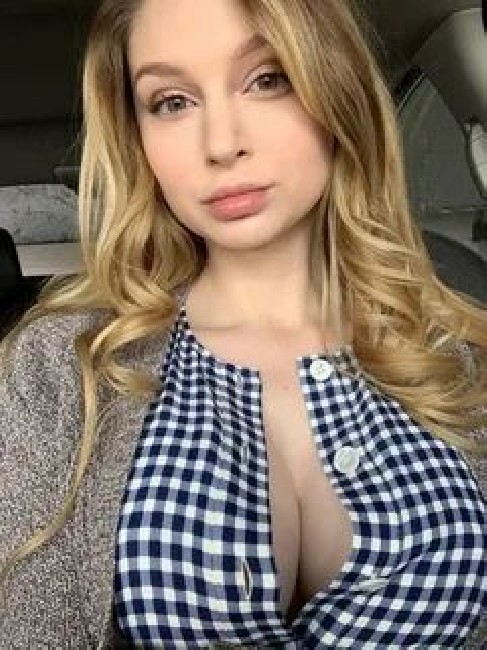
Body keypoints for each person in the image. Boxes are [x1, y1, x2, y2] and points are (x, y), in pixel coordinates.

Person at [0, 0, 485, 647]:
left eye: (267, 79)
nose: (222, 143)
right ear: (137, 137)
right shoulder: (61, 365)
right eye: (172, 102)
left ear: (336, 90)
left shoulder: (460, 353)